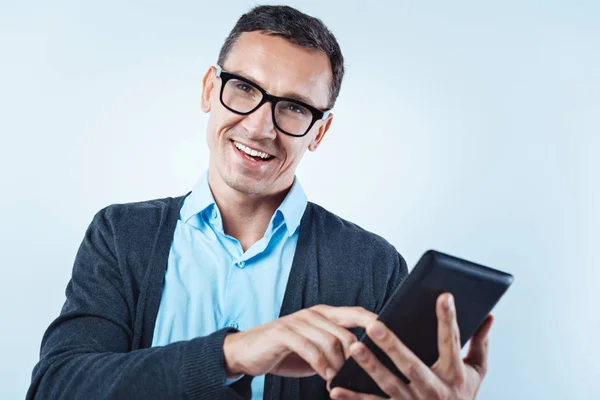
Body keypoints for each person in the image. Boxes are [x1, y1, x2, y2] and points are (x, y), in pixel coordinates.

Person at [27, 5, 494, 400]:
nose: (259, 127)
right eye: (245, 89)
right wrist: (235, 352)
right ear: (211, 89)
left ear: (320, 132)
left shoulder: (372, 267)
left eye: (293, 107)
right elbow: (56, 386)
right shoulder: (121, 234)